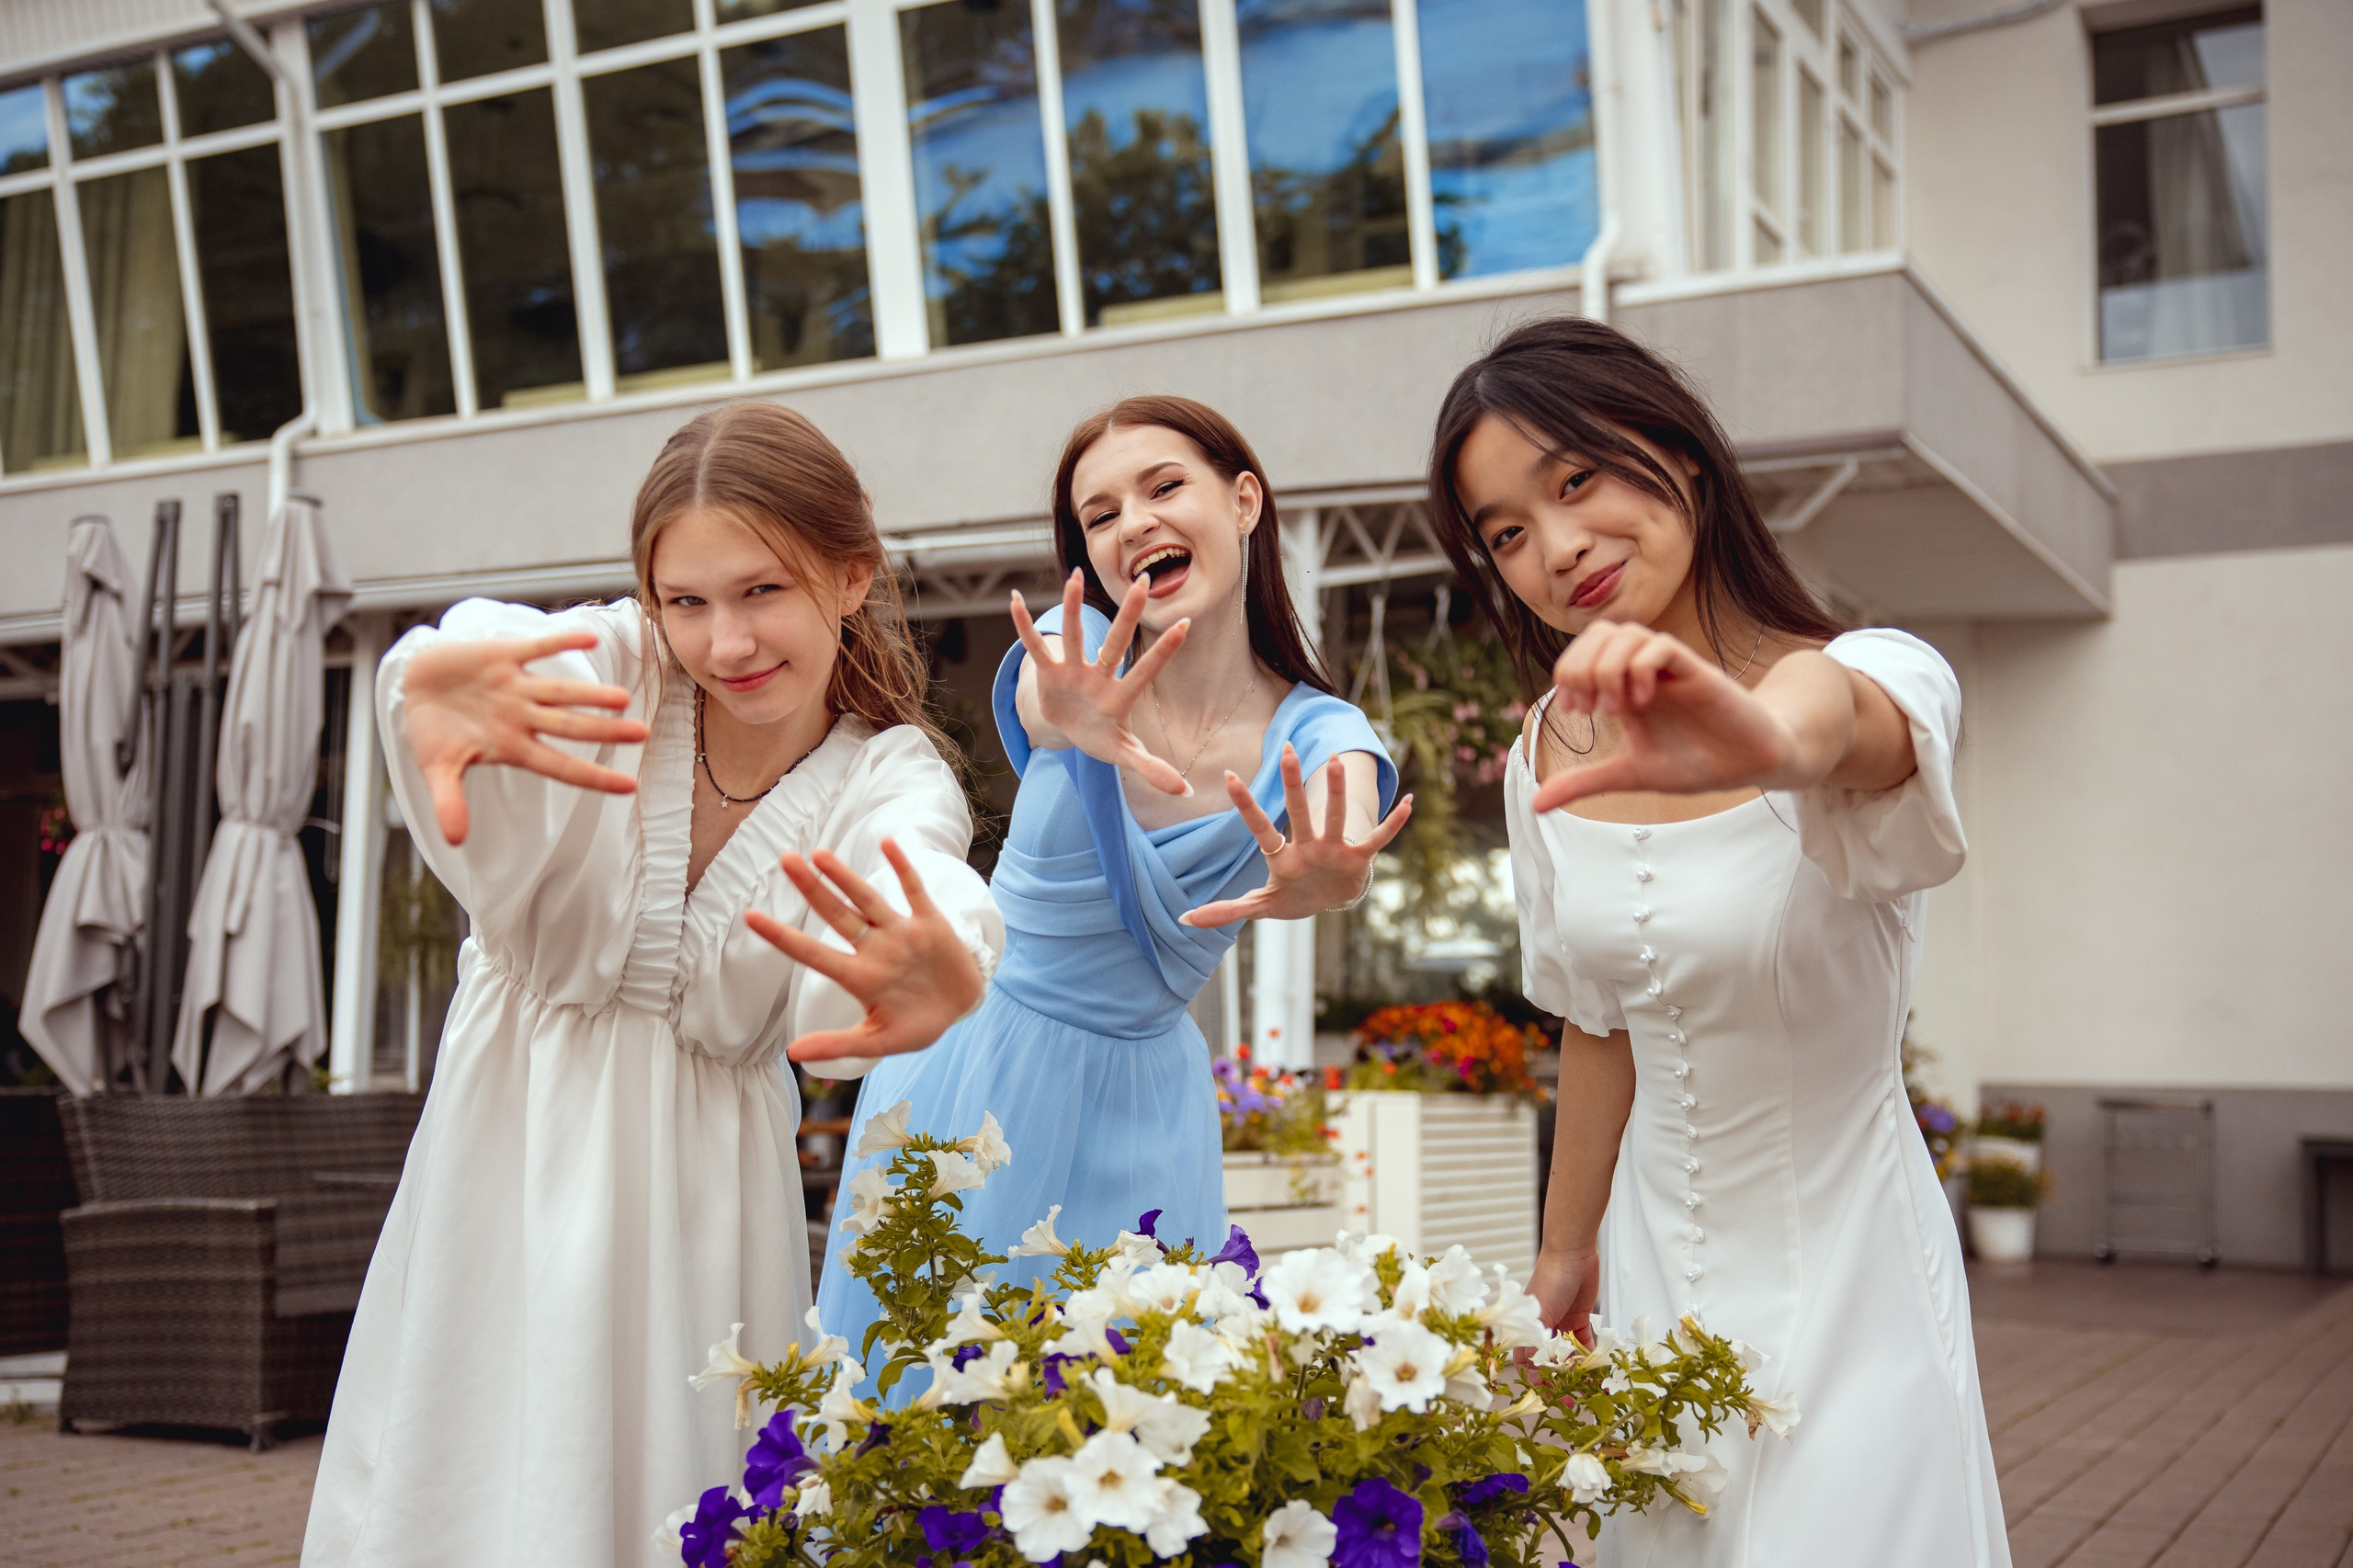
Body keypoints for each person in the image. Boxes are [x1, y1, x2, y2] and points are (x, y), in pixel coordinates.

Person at [302, 403, 1004, 1568]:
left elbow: (921, 869)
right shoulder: (614, 669)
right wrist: (428, 680)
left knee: (676, 1499)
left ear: (849, 575)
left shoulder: (887, 769)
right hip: (506, 1150)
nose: (725, 640)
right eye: (687, 600)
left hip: (701, 1198)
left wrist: (938, 950)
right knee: (465, 1469)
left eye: (762, 590)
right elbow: (487, 651)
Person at [1425, 319, 2007, 1567]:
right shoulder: (1548, 753)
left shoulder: (1867, 671)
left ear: (1679, 454)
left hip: (1855, 1275)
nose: (1557, 546)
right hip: (1647, 1269)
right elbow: (1596, 1019)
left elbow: (1842, 727)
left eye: (1575, 478)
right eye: (1508, 531)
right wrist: (1563, 1257)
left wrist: (1764, 743)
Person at [815, 396, 1408, 1385]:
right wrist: (1069, 714)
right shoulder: (1072, 647)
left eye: (1164, 486)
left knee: (1139, 1416)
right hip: (974, 1068)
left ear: (1245, 499)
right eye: (1100, 514)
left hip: (1147, 1101)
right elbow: (1042, 703)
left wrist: (1334, 871)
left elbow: (1344, 812)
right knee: (922, 1397)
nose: (1133, 521)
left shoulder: (1321, 728)